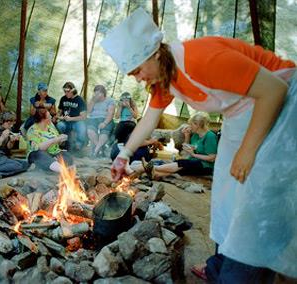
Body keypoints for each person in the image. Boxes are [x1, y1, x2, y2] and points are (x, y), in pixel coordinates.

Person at [101, 7, 296, 282]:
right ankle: (219, 268)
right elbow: (149, 118)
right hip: (240, 113)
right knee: (226, 197)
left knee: (256, 204)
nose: (138, 78)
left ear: (156, 54)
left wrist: (248, 150)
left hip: (282, 105)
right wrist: (123, 155)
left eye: (138, 70)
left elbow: (275, 90)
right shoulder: (164, 77)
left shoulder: (199, 59)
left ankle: (239, 276)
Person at [149, 112, 217, 179]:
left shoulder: (210, 136)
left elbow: (212, 158)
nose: (190, 126)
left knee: (182, 164)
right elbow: (186, 148)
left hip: (205, 166)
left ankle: (153, 168)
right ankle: (156, 174)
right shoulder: (196, 134)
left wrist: (194, 155)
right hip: (193, 161)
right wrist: (186, 135)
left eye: (191, 124)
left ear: (198, 125)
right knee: (180, 167)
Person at [0, 111, 28, 179]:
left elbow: (8, 147)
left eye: (12, 124)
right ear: (2, 121)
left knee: (26, 164)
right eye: (9, 123)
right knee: (18, 166)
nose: (11, 126)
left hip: (2, 157)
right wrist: (2, 137)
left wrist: (11, 141)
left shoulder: (7, 129)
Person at [27, 107, 73, 172]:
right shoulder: (32, 130)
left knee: (68, 156)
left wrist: (61, 140)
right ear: (43, 119)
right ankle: (62, 170)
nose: (51, 117)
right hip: (38, 154)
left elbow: (57, 140)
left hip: (54, 153)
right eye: (49, 116)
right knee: (40, 155)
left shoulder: (51, 126)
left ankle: (51, 165)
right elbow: (40, 148)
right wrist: (55, 140)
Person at [57, 82, 87, 152]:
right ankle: (63, 142)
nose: (66, 93)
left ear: (73, 90)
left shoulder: (80, 100)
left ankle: (78, 145)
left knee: (82, 127)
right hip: (65, 122)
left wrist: (71, 119)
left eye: (68, 91)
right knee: (59, 125)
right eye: (65, 91)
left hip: (77, 122)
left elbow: (83, 117)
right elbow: (59, 112)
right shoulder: (63, 99)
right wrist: (59, 117)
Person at [86, 85, 115, 157]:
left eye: (98, 93)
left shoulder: (110, 100)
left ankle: (95, 151)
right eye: (95, 93)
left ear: (103, 93)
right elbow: (88, 111)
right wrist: (93, 101)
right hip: (93, 119)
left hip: (106, 119)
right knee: (90, 131)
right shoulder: (93, 100)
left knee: (104, 133)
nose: (96, 95)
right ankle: (100, 149)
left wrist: (105, 123)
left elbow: (111, 113)